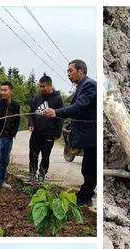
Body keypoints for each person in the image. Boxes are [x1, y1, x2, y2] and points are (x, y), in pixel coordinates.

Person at [42, 60, 97, 207]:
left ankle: (85, 196)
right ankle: (87, 194)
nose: (68, 74)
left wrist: (56, 112)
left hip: (92, 134)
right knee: (88, 166)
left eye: (70, 71)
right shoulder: (81, 86)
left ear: (81, 71)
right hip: (88, 134)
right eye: (67, 71)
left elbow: (78, 107)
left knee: (89, 167)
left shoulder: (89, 85)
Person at [26, 75, 64, 184]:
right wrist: (31, 123)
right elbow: (31, 113)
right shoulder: (37, 98)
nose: (41, 89)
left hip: (49, 133)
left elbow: (60, 116)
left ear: (50, 85)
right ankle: (32, 173)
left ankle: (42, 174)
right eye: (40, 86)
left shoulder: (57, 99)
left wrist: (57, 133)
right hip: (36, 132)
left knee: (45, 155)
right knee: (33, 153)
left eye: (43, 86)